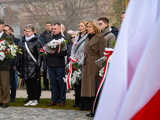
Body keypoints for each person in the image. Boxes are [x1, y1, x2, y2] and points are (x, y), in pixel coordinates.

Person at [80, 21, 106, 114]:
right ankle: (92, 109)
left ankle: (96, 110)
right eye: (87, 27)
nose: (87, 29)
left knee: (94, 88)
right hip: (87, 64)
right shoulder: (87, 37)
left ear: (95, 28)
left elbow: (103, 54)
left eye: (90, 27)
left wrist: (100, 67)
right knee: (89, 89)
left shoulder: (100, 38)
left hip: (95, 65)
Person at [17, 24, 42, 106]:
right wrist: (19, 65)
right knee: (28, 84)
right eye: (26, 31)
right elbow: (19, 54)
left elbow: (40, 55)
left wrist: (38, 66)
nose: (27, 33)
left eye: (29, 31)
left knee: (34, 84)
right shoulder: (22, 41)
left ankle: (35, 99)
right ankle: (30, 98)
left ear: (33, 32)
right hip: (24, 66)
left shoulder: (37, 41)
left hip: (34, 66)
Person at [46, 23, 67, 106]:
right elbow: (44, 49)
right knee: (53, 83)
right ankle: (53, 99)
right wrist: (46, 51)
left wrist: (55, 51)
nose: (54, 30)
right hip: (50, 64)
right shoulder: (49, 38)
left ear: (59, 29)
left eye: (55, 29)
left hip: (59, 65)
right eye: (53, 29)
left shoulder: (63, 39)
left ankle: (62, 100)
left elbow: (65, 53)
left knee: (61, 83)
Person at [70, 21, 88, 107]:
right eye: (79, 26)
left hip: (82, 62)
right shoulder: (77, 36)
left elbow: (86, 51)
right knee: (76, 82)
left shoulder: (87, 37)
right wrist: (72, 58)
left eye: (82, 26)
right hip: (75, 61)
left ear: (86, 27)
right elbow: (73, 48)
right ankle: (76, 101)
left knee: (81, 83)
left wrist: (80, 62)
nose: (80, 27)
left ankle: (81, 102)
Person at [4, 25, 20, 103]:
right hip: (3, 65)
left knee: (12, 82)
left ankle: (12, 97)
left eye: (7, 30)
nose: (5, 32)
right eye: (4, 30)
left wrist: (15, 64)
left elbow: (18, 53)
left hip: (12, 64)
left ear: (10, 31)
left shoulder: (16, 40)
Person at [0, 20, 13, 108]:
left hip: (4, 64)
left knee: (4, 84)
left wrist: (4, 53)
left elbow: (12, 50)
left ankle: (5, 101)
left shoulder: (7, 37)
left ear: (3, 26)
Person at [39, 22, 52, 90]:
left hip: (51, 54)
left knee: (51, 71)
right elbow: (41, 43)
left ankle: (52, 86)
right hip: (44, 55)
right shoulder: (42, 35)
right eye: (47, 26)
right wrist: (45, 48)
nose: (48, 27)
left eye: (49, 26)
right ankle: (45, 85)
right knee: (44, 70)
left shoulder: (53, 34)